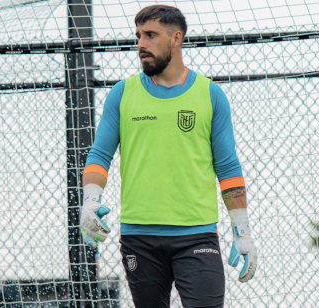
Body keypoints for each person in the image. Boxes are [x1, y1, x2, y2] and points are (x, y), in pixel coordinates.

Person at [79, 5, 257, 308]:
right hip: (139, 239)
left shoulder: (211, 95)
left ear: (176, 38)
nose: (141, 45)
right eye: (138, 36)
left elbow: (228, 168)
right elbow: (99, 155)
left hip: (197, 237)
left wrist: (243, 232)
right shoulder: (122, 95)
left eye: (151, 35)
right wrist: (90, 199)